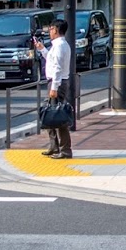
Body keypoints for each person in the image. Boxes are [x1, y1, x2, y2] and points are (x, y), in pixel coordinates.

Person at [35, 19, 74, 159]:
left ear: (56, 30)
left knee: (57, 116)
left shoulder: (59, 46)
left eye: (51, 28)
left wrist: (54, 87)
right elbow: (52, 61)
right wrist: (42, 50)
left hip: (57, 83)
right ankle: (54, 146)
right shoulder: (59, 45)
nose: (49, 31)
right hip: (56, 82)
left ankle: (64, 150)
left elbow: (57, 68)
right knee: (51, 114)